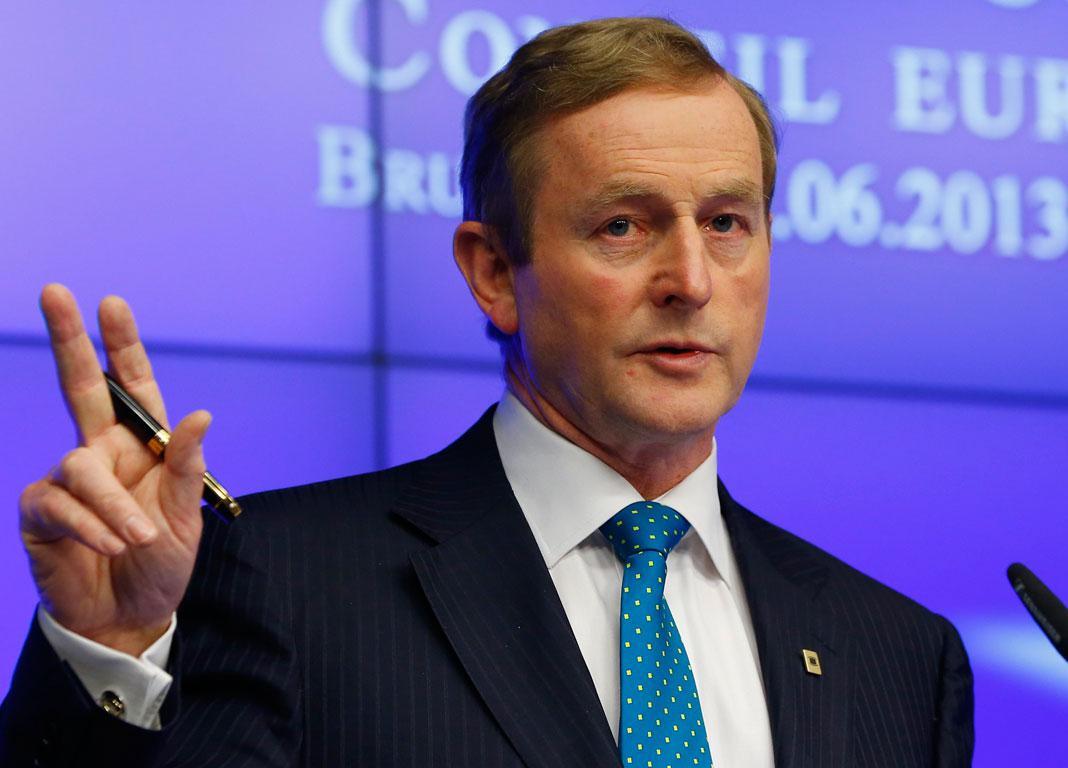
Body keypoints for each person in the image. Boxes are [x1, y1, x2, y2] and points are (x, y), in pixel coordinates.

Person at [0, 17, 973, 768]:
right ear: (494, 271)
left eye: (727, 222)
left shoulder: (900, 657)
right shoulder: (285, 581)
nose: (691, 279)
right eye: (623, 227)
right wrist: (109, 652)